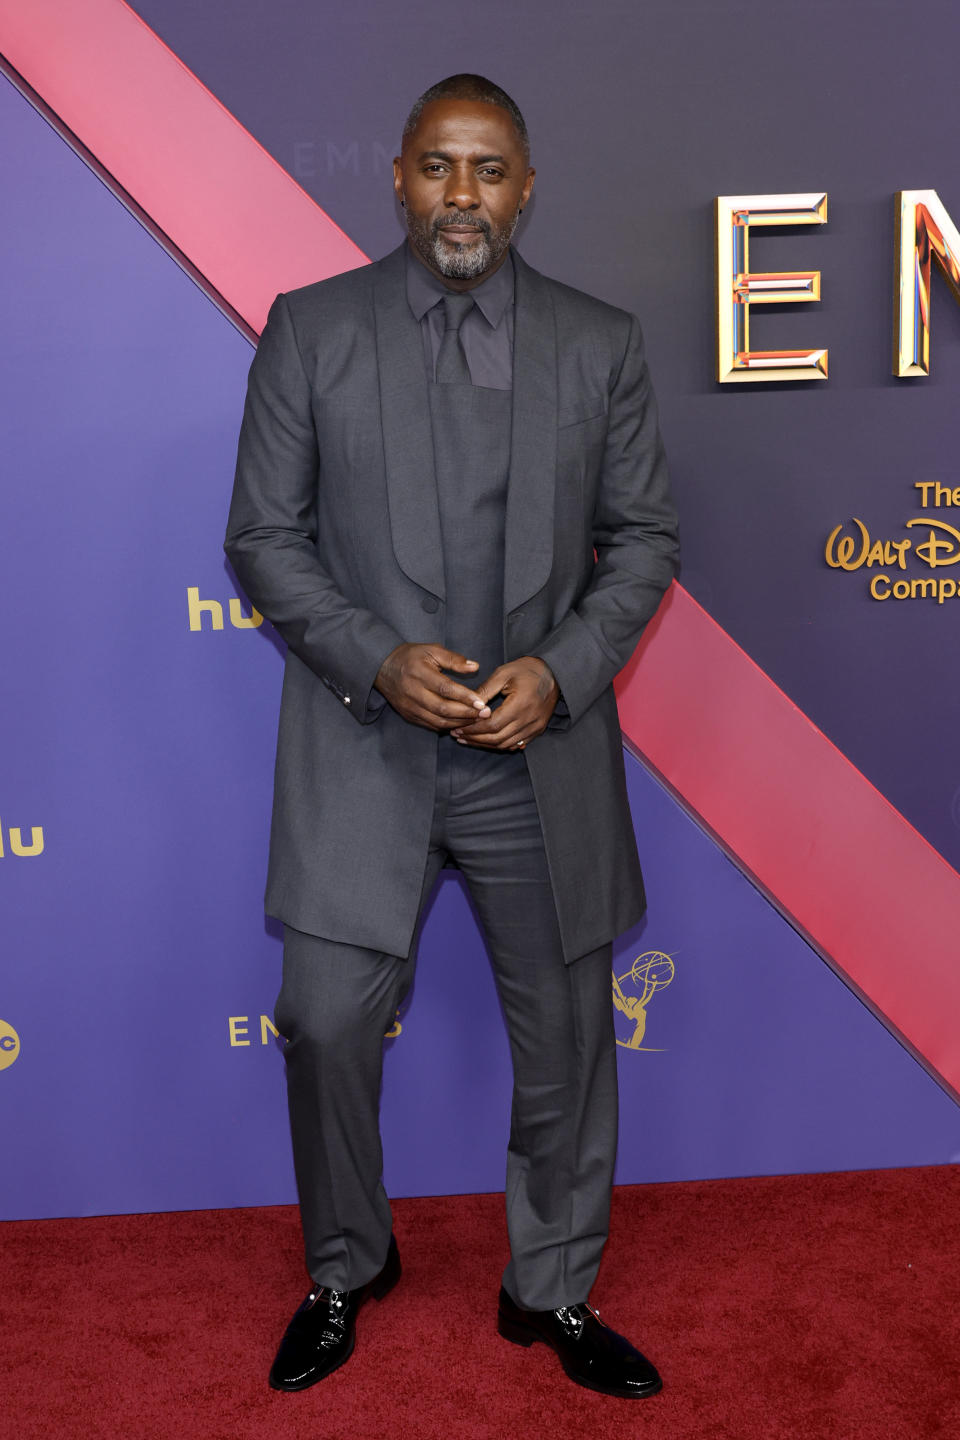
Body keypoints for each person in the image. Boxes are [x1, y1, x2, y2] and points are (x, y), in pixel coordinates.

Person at [225, 73, 679, 1400]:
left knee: (571, 1038)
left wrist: (567, 669)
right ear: (401, 178)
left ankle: (552, 1287)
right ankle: (346, 1261)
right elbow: (262, 535)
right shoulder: (311, 331)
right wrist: (373, 655)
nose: (461, 194)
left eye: (488, 169)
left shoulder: (603, 345)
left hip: (538, 759)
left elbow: (645, 539)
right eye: (438, 166)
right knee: (321, 1018)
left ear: (526, 186)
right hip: (367, 750)